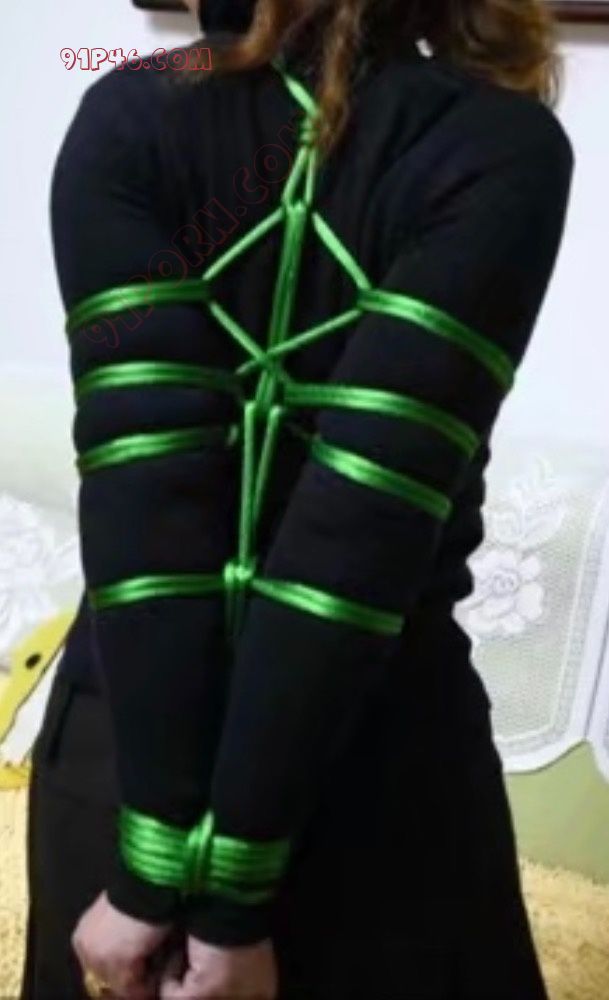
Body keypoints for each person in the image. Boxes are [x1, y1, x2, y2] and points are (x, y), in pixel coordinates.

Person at [20, 0, 574, 997]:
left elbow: (150, 498)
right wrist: (224, 894)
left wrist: (157, 869)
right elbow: (359, 526)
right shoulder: (497, 145)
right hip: (375, 756)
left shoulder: (132, 112)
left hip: (126, 752)